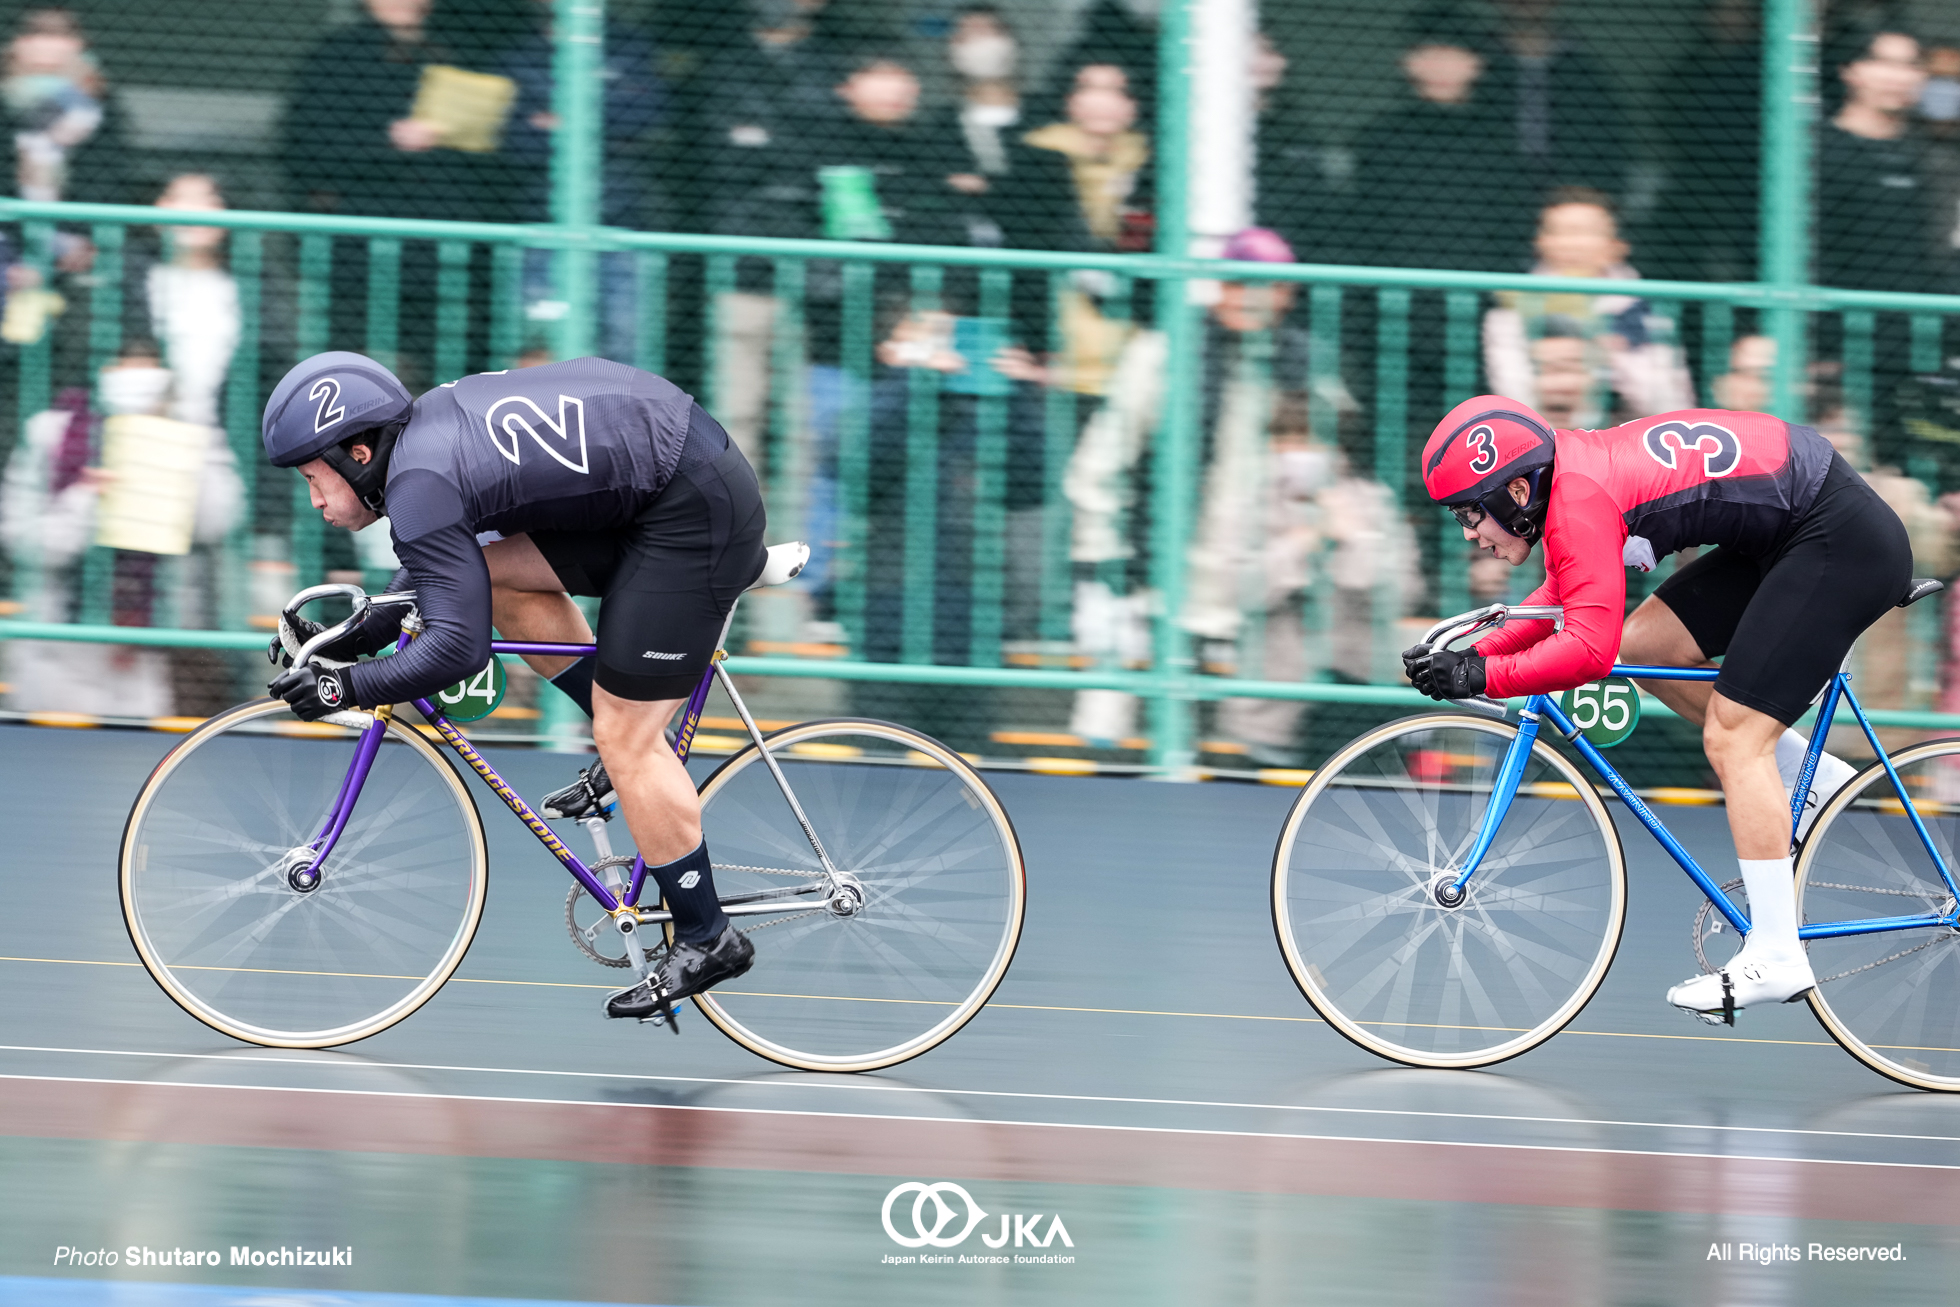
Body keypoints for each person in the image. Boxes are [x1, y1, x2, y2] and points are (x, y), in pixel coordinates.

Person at [259, 352, 767, 1024]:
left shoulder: (420, 482)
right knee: (494, 581)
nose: (316, 501)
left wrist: (341, 689)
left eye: (314, 480)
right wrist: (344, 639)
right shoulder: (421, 455)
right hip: (664, 480)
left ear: (357, 453)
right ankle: (638, 751)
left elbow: (455, 647)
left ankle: (709, 934)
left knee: (624, 736)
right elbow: (440, 579)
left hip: (689, 508)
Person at [1404, 395, 1915, 1023]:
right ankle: (1805, 782)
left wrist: (1482, 672)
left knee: (1733, 739)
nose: (1468, 533)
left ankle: (1777, 954)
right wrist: (1474, 652)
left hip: (1838, 538)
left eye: (1469, 512)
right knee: (1644, 645)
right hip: (1797, 526)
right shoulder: (1568, 478)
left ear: (1515, 490)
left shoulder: (1580, 496)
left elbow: (1586, 651)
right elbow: (1562, 597)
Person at [1482, 189, 1693, 427]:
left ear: (1617, 246)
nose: (1573, 243)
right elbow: (1515, 399)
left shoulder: (1645, 313)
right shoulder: (1511, 310)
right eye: (1560, 231)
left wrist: (1610, 358)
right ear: (1540, 243)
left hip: (1630, 444)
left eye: (1586, 232)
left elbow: (1671, 408)